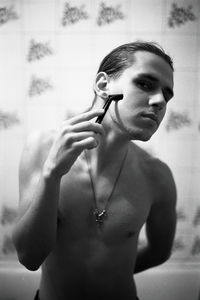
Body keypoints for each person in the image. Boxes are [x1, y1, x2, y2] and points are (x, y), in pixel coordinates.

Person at [12, 41, 177, 300]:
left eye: (166, 95)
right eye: (145, 84)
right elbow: (29, 258)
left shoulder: (157, 176)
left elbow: (160, 251)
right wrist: (52, 174)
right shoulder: (43, 148)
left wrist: (109, 275)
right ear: (103, 85)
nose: (159, 101)